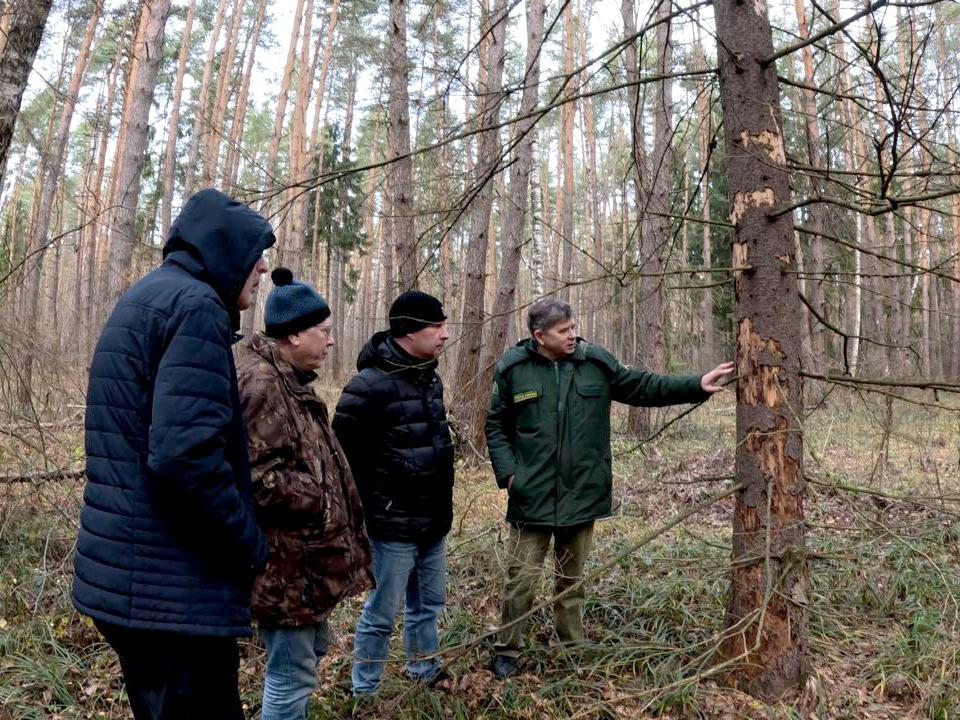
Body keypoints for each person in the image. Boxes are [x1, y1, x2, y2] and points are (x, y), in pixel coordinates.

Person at [73, 189, 275, 719]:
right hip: (169, 591)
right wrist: (249, 543)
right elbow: (185, 456)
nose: (262, 268)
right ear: (225, 251)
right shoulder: (196, 307)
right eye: (255, 254)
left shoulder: (148, 296)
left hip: (132, 577)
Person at [485, 298, 734, 678]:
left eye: (573, 327)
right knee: (520, 580)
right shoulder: (513, 369)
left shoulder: (595, 363)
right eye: (562, 331)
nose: (572, 335)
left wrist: (696, 384)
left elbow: (644, 386)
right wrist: (510, 475)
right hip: (530, 495)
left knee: (571, 581)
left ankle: (572, 646)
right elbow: (496, 426)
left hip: (582, 493)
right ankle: (507, 649)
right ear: (539, 336)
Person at [236, 268, 373, 720]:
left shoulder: (288, 380)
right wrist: (320, 497)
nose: (331, 342)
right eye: (325, 332)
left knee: (305, 657)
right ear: (293, 335)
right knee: (291, 677)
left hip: (303, 566)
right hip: (285, 568)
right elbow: (257, 479)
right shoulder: (264, 385)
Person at [332, 290, 454, 695]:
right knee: (382, 613)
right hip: (391, 526)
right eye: (436, 326)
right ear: (408, 332)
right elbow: (342, 461)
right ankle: (364, 689)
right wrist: (370, 510)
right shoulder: (367, 387)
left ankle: (425, 672)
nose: (445, 334)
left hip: (432, 521)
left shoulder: (429, 378)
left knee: (428, 607)